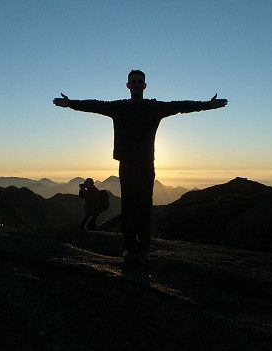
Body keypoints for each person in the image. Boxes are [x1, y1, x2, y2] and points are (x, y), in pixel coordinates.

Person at [54, 70, 227, 263]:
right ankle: (130, 248)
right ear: (128, 86)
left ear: (144, 86)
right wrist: (70, 104)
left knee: (144, 205)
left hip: (146, 164)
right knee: (128, 206)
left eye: (139, 82)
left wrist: (208, 105)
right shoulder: (119, 107)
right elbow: (95, 105)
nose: (136, 84)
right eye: (133, 81)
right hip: (127, 164)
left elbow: (180, 106)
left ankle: (143, 249)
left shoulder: (154, 107)